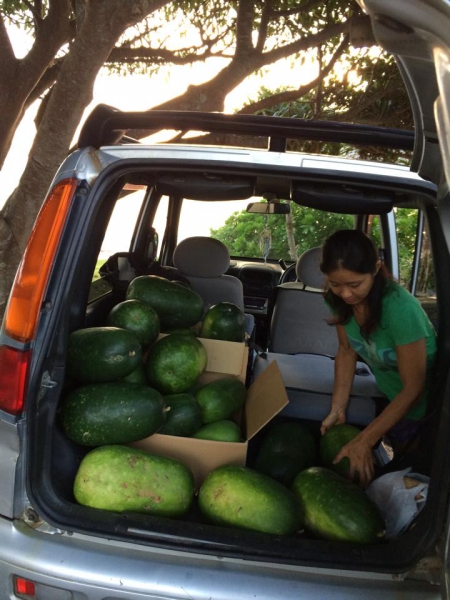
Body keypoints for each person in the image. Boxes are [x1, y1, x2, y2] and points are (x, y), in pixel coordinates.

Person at [319, 229, 437, 488]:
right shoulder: (336, 299)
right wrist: (338, 408)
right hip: (391, 396)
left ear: (376, 269)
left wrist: (365, 440)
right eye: (336, 284)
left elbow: (414, 388)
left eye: (354, 285)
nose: (346, 294)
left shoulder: (400, 309)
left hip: (428, 408)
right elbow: (347, 351)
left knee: (416, 472)